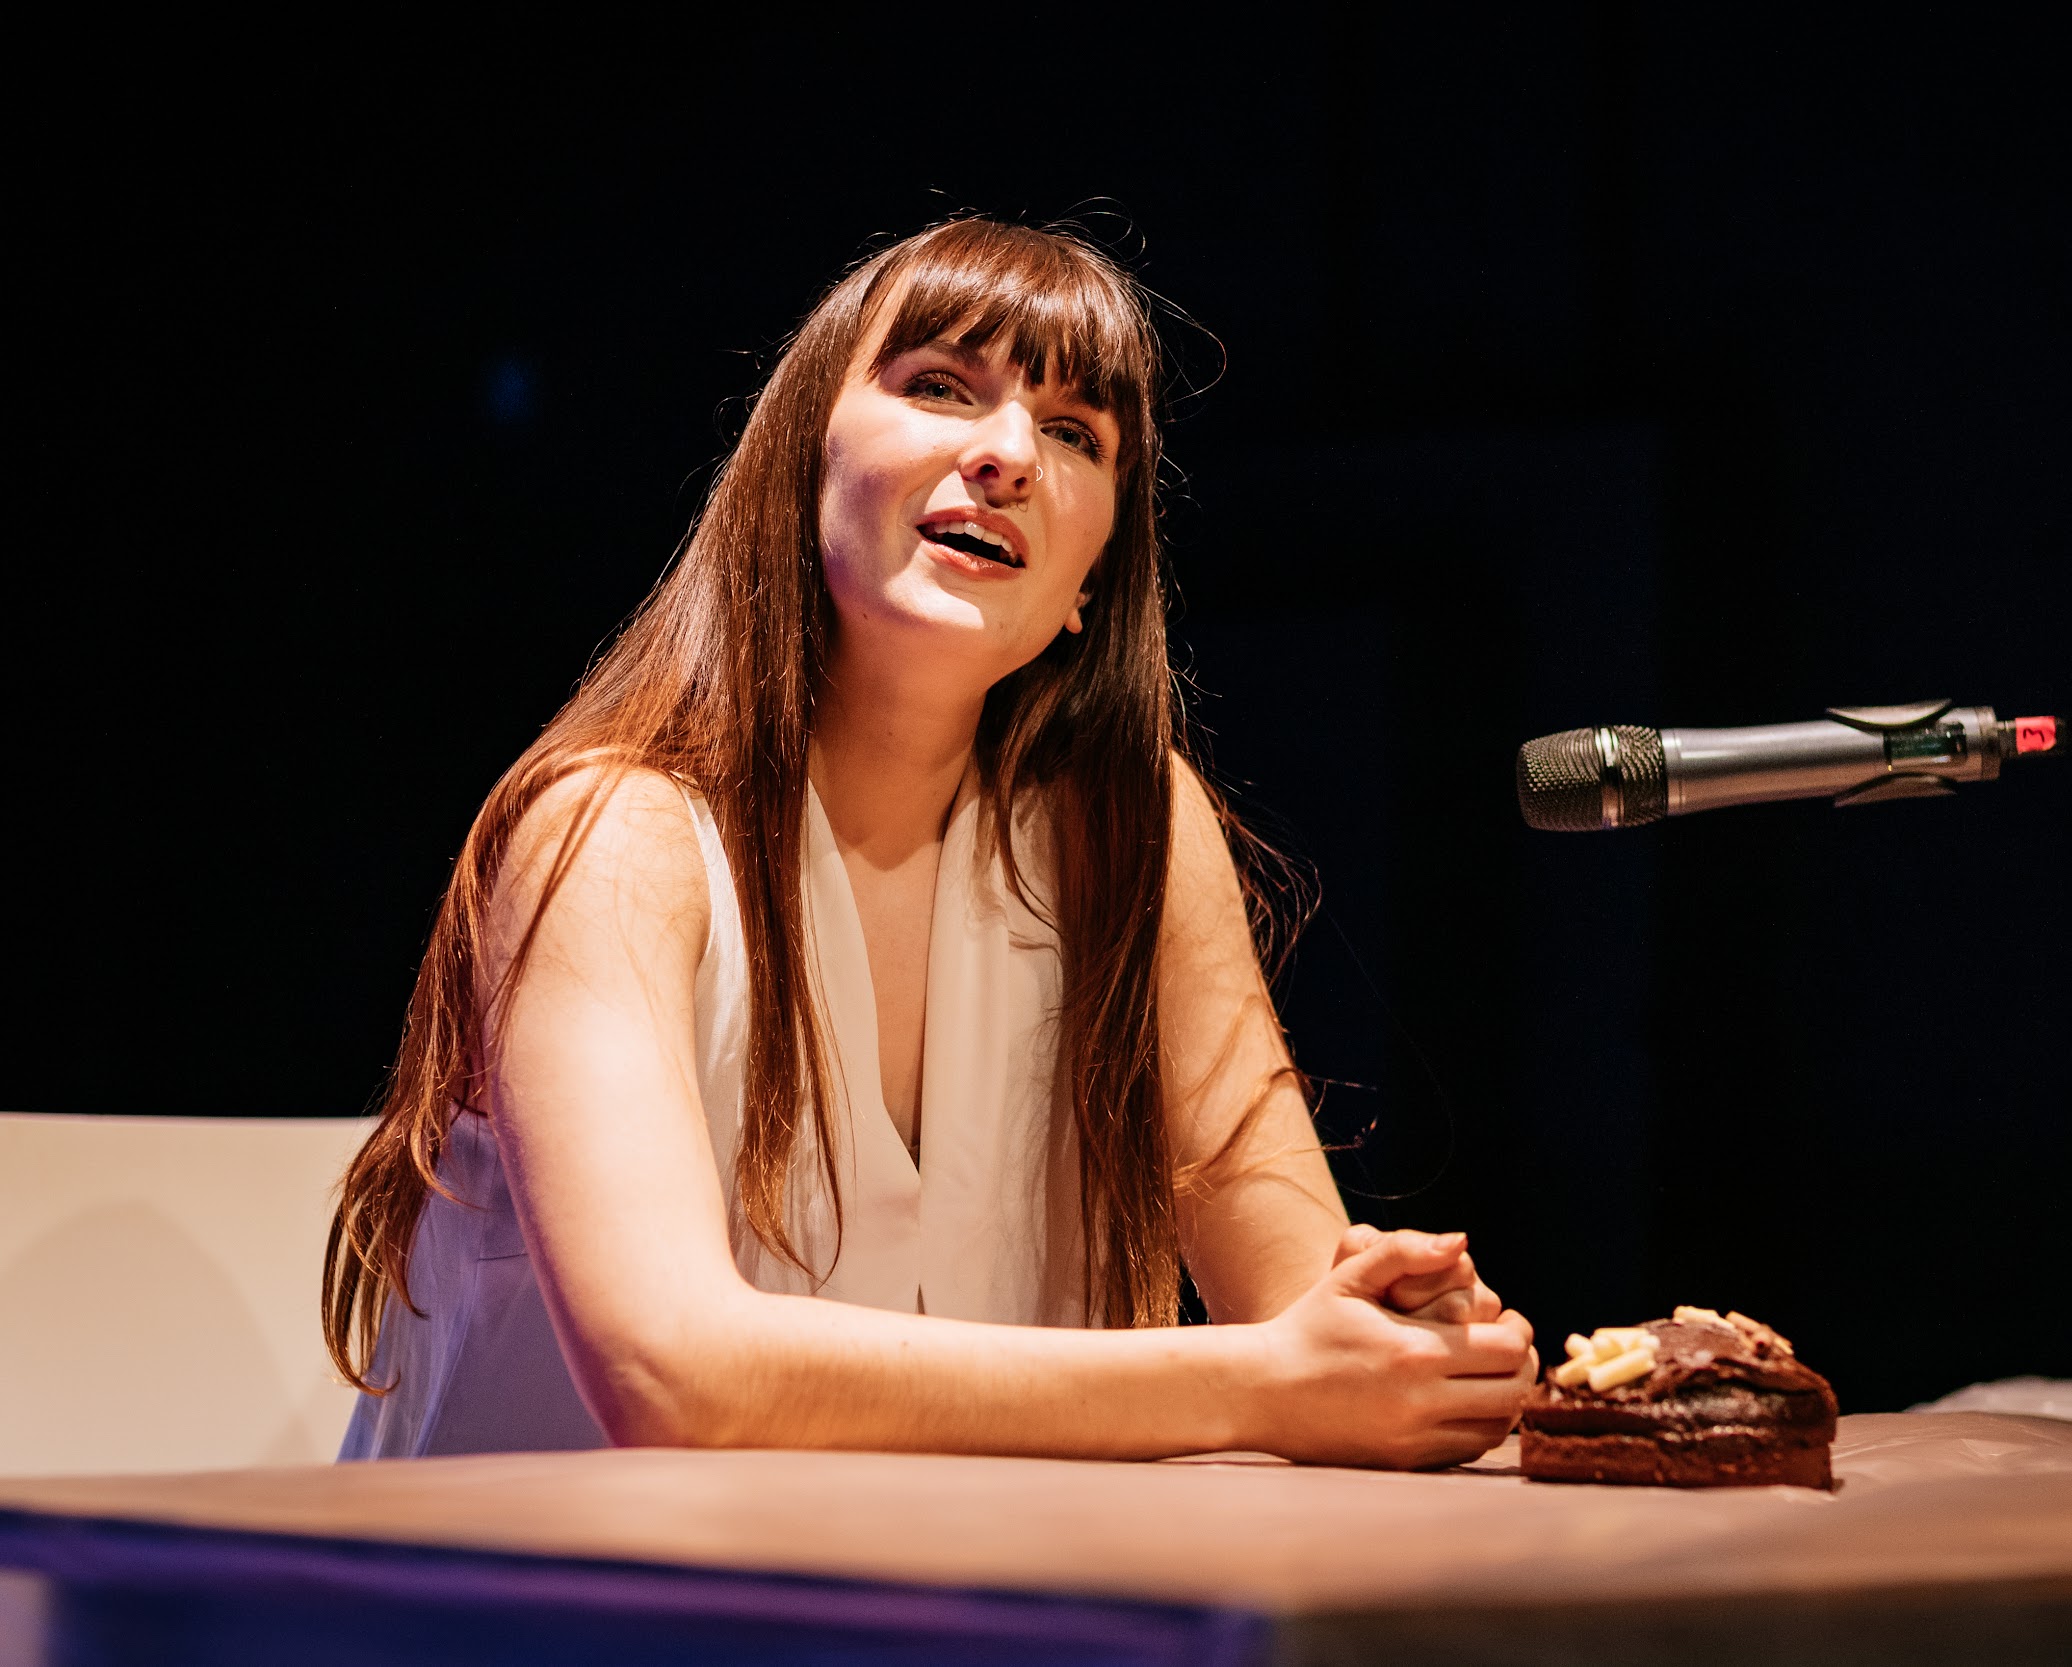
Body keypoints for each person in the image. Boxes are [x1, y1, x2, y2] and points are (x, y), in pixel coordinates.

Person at [323, 217, 1536, 1467]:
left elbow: (1300, 1314)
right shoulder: (613, 833)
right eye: (941, 387)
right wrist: (1265, 1383)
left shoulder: (1134, 832)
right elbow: (670, 1371)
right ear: (801, 464)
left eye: (1075, 434)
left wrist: (1411, 1350)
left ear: (1088, 584)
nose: (1009, 453)